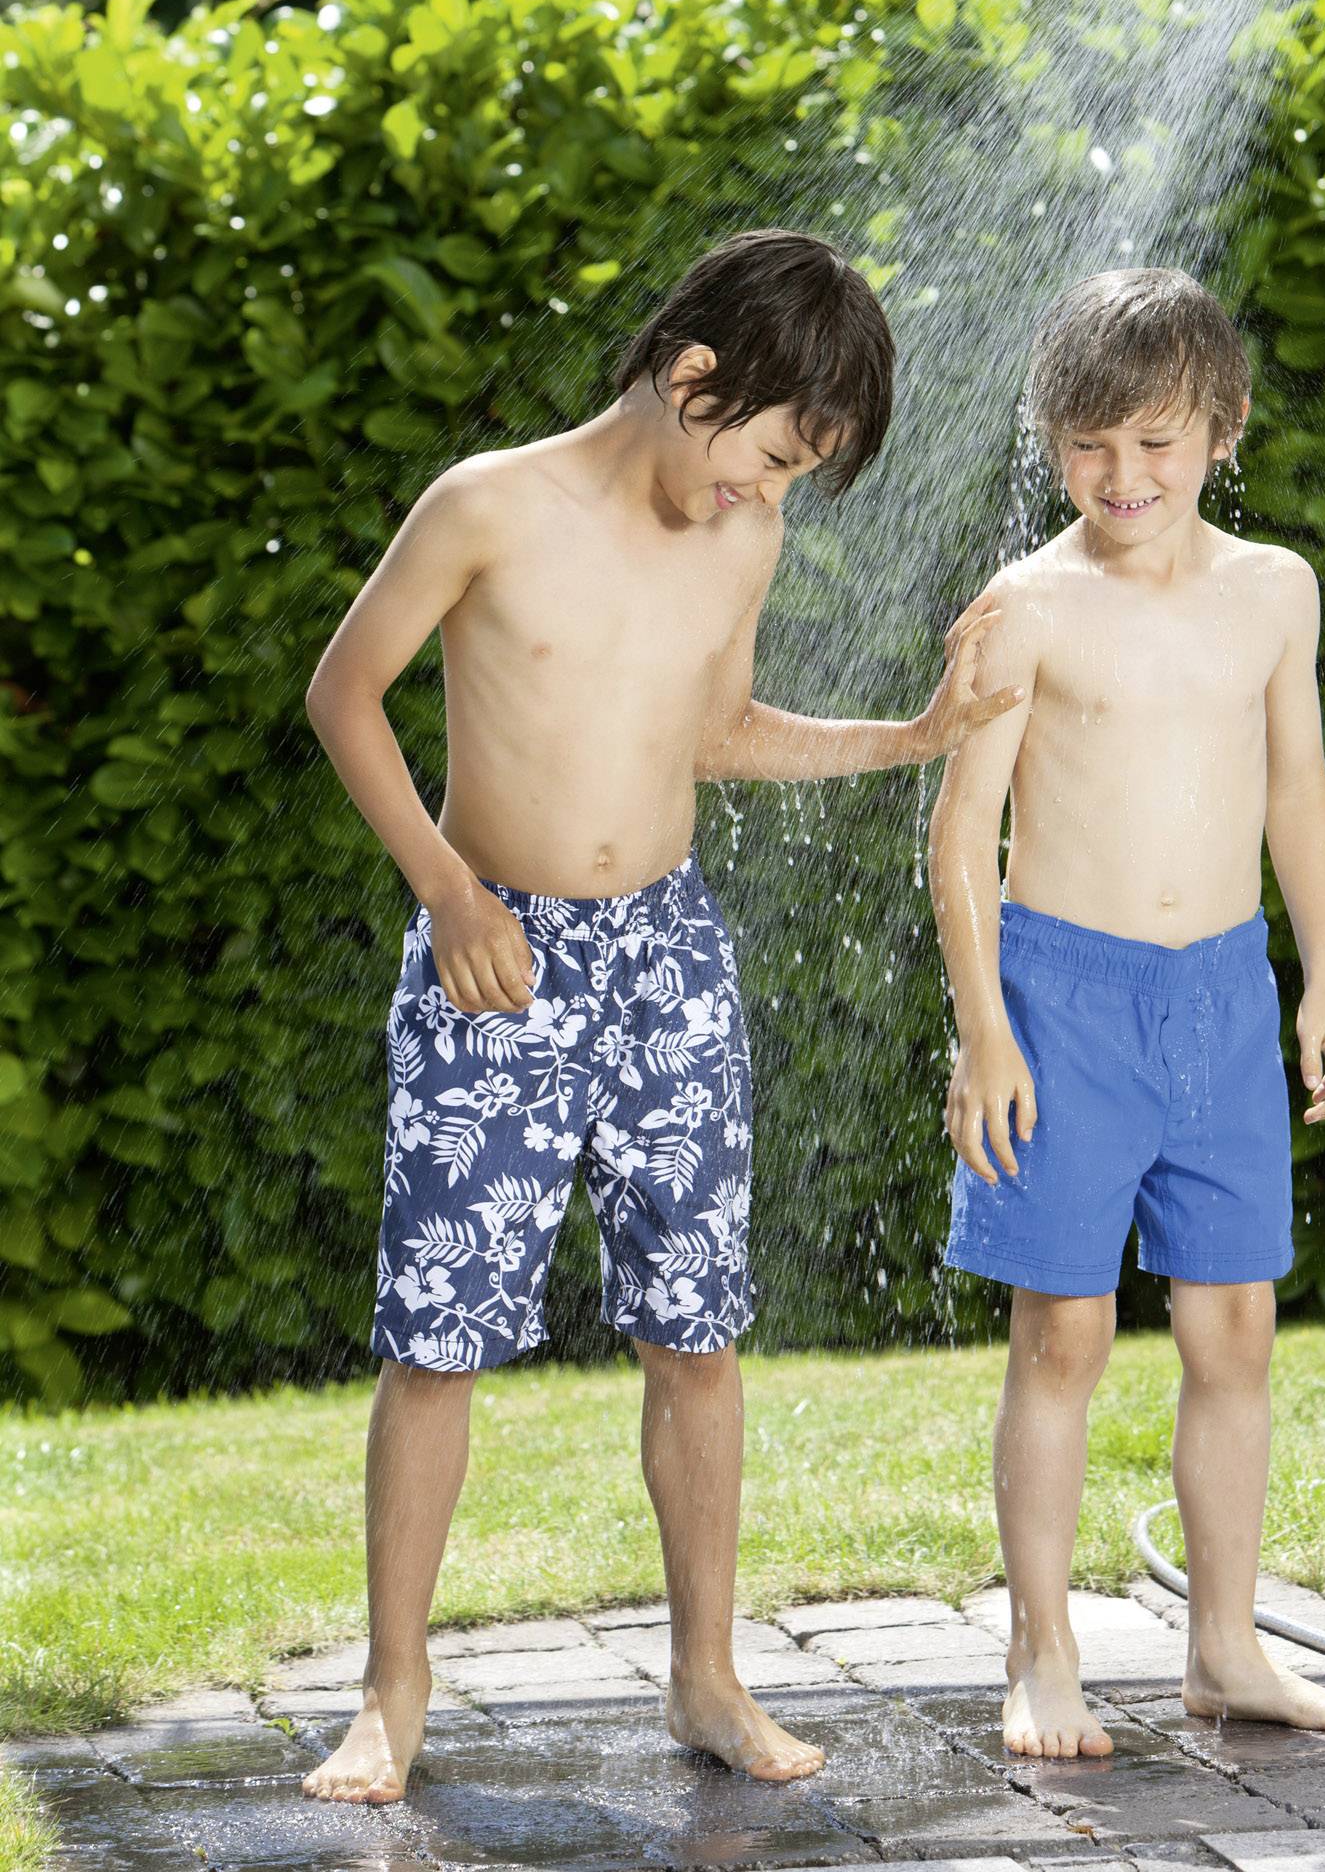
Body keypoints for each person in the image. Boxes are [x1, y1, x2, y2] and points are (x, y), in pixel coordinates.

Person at [302, 230, 1019, 1803]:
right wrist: (448, 893)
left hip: (668, 965)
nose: (764, 497)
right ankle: (392, 1691)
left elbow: (716, 732)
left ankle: (706, 1676)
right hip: (495, 952)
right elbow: (342, 694)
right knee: (438, 1341)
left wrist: (911, 735)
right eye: (763, 458)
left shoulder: (735, 541)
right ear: (692, 377)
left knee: (696, 1331)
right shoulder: (490, 506)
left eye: (792, 478)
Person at [930, 264, 1325, 1761]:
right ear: (1055, 443)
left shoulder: (1276, 592)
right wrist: (986, 1029)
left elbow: (1299, 789)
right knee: (1060, 1334)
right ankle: (1042, 1653)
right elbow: (960, 834)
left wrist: (1319, 975)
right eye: (1092, 446)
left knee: (1234, 1330)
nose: (1124, 477)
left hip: (1221, 996)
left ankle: (1226, 1645)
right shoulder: (1026, 607)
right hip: (1064, 999)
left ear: (1223, 431)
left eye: (1158, 443)